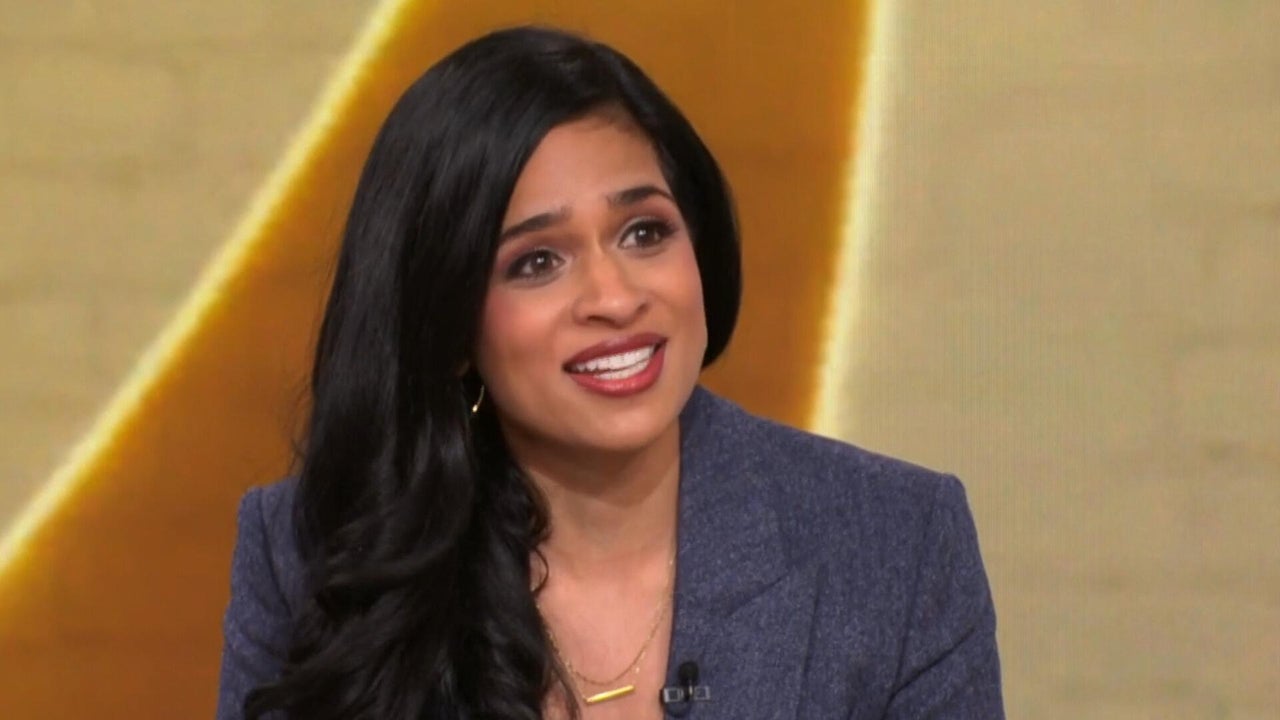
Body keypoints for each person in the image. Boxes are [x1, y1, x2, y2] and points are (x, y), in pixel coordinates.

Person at [216, 25, 1003, 720]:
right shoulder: (310, 556)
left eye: (644, 232)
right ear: (447, 318)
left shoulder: (896, 544)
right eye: (537, 261)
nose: (616, 298)